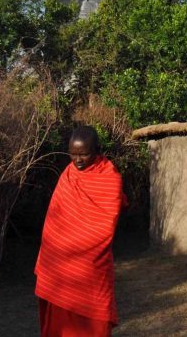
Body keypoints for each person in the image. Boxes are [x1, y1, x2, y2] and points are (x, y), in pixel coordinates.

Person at [35, 126, 127, 336]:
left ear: (97, 150)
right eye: (73, 154)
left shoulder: (110, 178)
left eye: (84, 154)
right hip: (60, 269)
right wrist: (58, 253)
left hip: (92, 269)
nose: (77, 160)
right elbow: (55, 222)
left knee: (94, 324)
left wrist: (77, 252)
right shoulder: (68, 174)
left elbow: (105, 225)